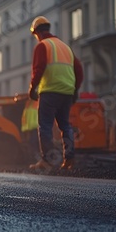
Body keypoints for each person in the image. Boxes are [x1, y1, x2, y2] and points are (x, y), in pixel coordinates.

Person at [28, 16, 83, 170]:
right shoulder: (66, 47)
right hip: (66, 93)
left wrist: (32, 89)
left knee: (45, 126)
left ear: (38, 32)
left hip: (50, 92)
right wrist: (75, 90)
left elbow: (38, 70)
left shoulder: (43, 46)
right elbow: (79, 70)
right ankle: (69, 160)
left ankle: (48, 160)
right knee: (65, 125)